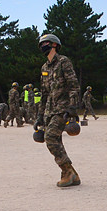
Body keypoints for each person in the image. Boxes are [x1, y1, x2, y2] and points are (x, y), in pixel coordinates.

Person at [36, 34, 81, 187]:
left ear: (54, 45)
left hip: (63, 108)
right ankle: (72, 174)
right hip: (49, 110)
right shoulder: (44, 68)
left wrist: (72, 108)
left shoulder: (63, 62)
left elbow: (74, 86)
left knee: (50, 139)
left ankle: (67, 171)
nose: (42, 46)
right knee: (56, 141)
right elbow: (44, 94)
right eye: (41, 44)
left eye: (45, 43)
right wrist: (39, 116)